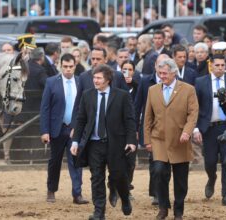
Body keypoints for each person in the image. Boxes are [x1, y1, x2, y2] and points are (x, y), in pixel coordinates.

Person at [70, 64, 136, 219]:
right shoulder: (87, 95)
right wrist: (75, 142)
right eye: (94, 77)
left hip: (116, 144)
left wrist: (131, 140)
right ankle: (99, 212)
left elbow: (130, 120)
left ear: (108, 79)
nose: (95, 80)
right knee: (96, 177)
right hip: (94, 144)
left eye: (99, 78)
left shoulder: (122, 96)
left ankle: (125, 198)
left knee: (118, 175)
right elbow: (81, 120)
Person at [144, 58, 199, 220]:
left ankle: (179, 211)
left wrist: (187, 132)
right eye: (159, 73)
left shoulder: (188, 90)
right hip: (159, 139)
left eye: (165, 73)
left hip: (179, 140)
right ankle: (163, 207)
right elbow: (147, 117)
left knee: (180, 179)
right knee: (159, 172)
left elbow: (193, 113)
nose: (162, 76)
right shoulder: (152, 90)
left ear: (174, 72)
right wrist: (147, 140)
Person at [40, 53, 89, 205]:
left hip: (75, 129)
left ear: (75, 66)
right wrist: (45, 131)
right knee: (55, 161)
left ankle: (77, 194)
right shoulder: (51, 82)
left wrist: (77, 126)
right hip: (57, 129)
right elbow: (45, 108)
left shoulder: (81, 82)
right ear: (60, 66)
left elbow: (84, 107)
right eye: (65, 66)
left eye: (71, 66)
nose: (68, 69)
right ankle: (51, 190)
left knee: (76, 161)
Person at [194, 54, 226, 206]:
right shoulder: (200, 82)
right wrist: (195, 128)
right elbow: (194, 107)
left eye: (222, 65)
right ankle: (211, 178)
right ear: (211, 65)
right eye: (217, 65)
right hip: (209, 128)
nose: (220, 68)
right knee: (210, 162)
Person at [134, 54, 170, 206]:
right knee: (155, 162)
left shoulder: (177, 82)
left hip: (170, 129)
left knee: (166, 163)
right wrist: (135, 129)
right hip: (152, 129)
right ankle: (156, 193)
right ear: (155, 65)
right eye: (160, 64)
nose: (162, 67)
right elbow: (137, 106)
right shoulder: (145, 81)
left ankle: (161, 191)